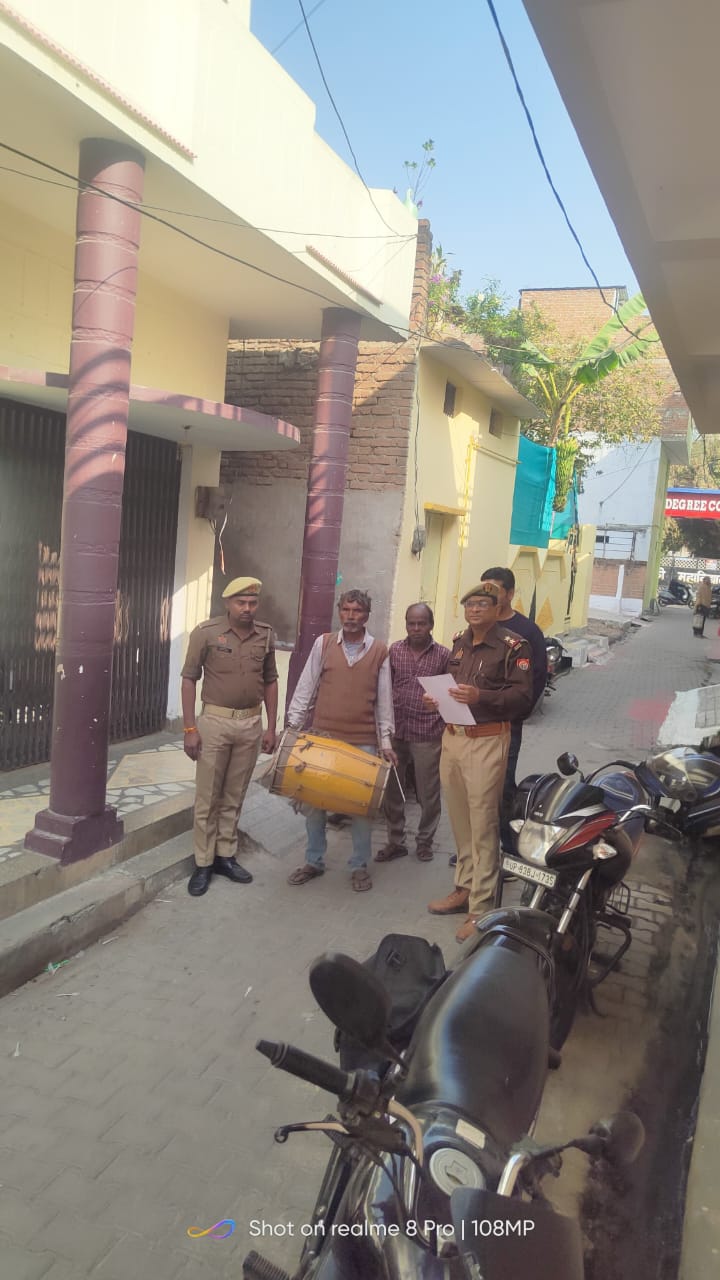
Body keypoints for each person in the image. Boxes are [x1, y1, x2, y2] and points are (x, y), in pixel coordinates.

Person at [426, 583, 533, 942]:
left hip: (488, 740)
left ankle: (482, 907)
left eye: (482, 604)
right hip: (453, 737)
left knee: (483, 823)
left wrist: (480, 696)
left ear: (498, 608)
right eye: (469, 604)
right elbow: (453, 686)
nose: (474, 610)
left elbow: (523, 697)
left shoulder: (514, 646)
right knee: (460, 820)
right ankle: (464, 887)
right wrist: (437, 700)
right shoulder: (459, 642)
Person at [286, 589, 397, 893]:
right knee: (313, 803)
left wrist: (386, 742)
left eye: (357, 611)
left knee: (361, 807)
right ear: (339, 612)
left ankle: (359, 865)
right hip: (322, 739)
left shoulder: (379, 651)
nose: (350, 616)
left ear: (367, 616)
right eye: (346, 610)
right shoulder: (323, 644)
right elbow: (306, 686)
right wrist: (293, 727)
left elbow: (384, 701)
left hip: (363, 742)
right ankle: (313, 861)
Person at [181, 577, 278, 897]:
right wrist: (190, 728)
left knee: (235, 794)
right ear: (228, 603)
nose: (247, 608)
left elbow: (270, 681)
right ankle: (203, 862)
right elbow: (189, 679)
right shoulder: (206, 633)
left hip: (250, 724)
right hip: (215, 723)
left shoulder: (265, 635)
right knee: (208, 796)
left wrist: (271, 727)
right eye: (241, 602)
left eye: (252, 603)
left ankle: (225, 855)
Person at [376, 603, 450, 864]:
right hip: (396, 731)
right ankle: (396, 841)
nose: (416, 628)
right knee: (392, 790)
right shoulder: (395, 650)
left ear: (431, 625)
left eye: (421, 623)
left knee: (428, 793)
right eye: (411, 623)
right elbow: (384, 687)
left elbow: (449, 695)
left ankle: (425, 841)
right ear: (406, 624)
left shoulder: (443, 655)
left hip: (427, 733)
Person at [480, 567, 546, 847]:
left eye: (493, 590)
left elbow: (537, 679)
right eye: (483, 590)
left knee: (503, 785)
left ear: (509, 593)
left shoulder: (528, 631)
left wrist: (518, 713)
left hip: (507, 725)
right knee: (477, 788)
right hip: (475, 725)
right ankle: (478, 845)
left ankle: (507, 847)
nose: (487, 596)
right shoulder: (479, 626)